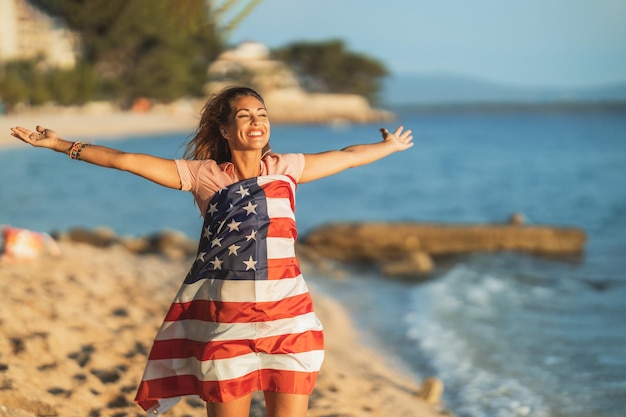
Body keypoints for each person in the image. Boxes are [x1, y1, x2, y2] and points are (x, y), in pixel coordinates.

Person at [10, 86, 413, 417]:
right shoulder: (203, 175)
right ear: (224, 130)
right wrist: (62, 144)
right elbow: (127, 160)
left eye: (261, 114)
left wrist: (389, 147)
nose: (257, 121)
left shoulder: (286, 167)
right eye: (244, 115)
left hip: (288, 320)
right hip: (226, 325)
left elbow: (346, 158)